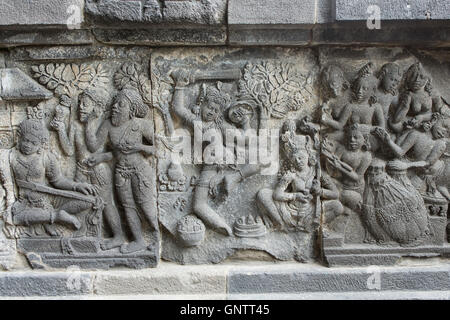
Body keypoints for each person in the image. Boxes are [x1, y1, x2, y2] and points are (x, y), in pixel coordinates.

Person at [85, 87, 159, 254]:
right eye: (115, 103)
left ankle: (157, 238)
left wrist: (139, 147)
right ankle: (139, 240)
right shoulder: (108, 125)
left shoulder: (139, 125)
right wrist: (90, 122)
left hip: (140, 171)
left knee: (146, 206)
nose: (115, 107)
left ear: (131, 110)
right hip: (121, 172)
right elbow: (94, 145)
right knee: (128, 207)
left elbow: (159, 147)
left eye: (121, 104)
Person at [50, 86, 125, 250]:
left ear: (97, 107)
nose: (81, 108)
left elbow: (114, 151)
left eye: (85, 104)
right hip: (80, 170)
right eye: (80, 104)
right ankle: (82, 230)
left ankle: (118, 235)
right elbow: (69, 151)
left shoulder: (103, 124)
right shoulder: (75, 126)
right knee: (79, 200)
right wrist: (61, 129)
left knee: (106, 203)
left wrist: (102, 156)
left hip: (99, 171)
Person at [10, 119, 97, 233]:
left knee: (89, 200)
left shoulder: (47, 158)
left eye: (33, 143)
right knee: (15, 217)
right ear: (19, 138)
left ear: (41, 144)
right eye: (25, 141)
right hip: (24, 202)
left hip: (48, 198)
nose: (28, 145)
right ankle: (55, 217)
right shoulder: (10, 156)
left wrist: (77, 186)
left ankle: (54, 215)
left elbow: (58, 181)